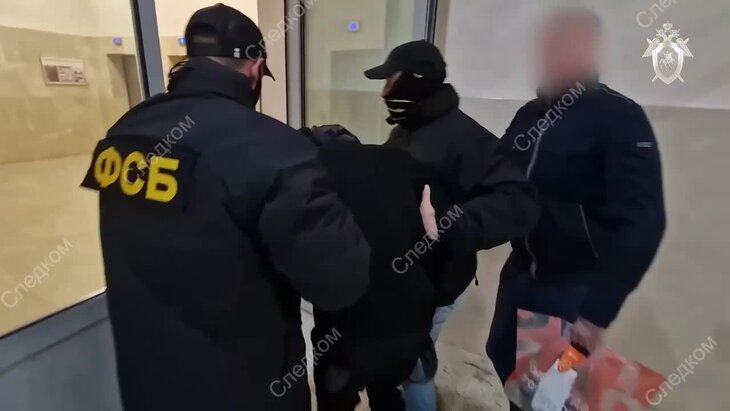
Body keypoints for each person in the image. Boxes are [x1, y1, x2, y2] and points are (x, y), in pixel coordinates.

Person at [80, 5, 372, 411]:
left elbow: (207, 182)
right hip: (247, 388)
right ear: (255, 68)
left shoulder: (126, 131)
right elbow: (341, 282)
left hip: (147, 380)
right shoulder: (279, 152)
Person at [489, 7, 666, 409]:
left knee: (553, 397)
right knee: (510, 374)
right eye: (549, 45)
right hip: (519, 280)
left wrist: (598, 310)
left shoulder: (620, 118)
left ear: (590, 51)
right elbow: (499, 178)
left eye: (566, 44)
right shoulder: (528, 115)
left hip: (571, 293)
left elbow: (644, 222)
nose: (552, 55)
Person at [365, 40, 541, 411]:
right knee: (401, 359)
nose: (384, 92)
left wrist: (450, 224)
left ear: (414, 81)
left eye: (390, 81)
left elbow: (518, 202)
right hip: (405, 277)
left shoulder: (465, 138)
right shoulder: (409, 128)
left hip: (437, 280)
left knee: (413, 366)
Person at [303, 126, 444, 411]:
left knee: (336, 398)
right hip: (404, 322)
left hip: (344, 333)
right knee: (389, 389)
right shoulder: (397, 167)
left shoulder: (309, 174)